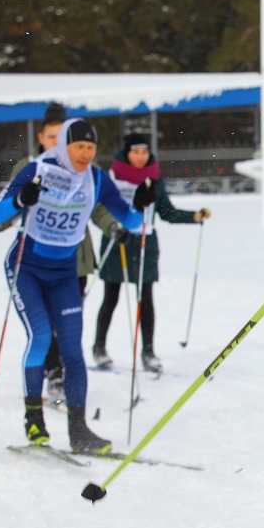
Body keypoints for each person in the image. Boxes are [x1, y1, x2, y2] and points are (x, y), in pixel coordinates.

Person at [0, 118, 154, 454]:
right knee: (42, 336)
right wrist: (19, 202)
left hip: (64, 272)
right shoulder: (38, 170)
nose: (85, 154)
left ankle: (79, 431)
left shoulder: (96, 179)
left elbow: (132, 222)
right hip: (27, 267)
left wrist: (140, 205)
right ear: (64, 145)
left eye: (91, 147)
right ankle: (34, 418)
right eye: (79, 146)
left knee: (72, 350)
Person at [0, 103, 120, 401]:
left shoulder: (87, 175)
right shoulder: (33, 168)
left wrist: (112, 227)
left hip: (75, 259)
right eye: (51, 136)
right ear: (43, 139)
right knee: (43, 326)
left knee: (67, 324)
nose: (57, 141)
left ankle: (67, 380)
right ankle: (53, 374)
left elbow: (97, 208)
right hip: (38, 255)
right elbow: (18, 205)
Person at [92, 133, 211, 375]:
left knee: (145, 299)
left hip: (146, 242)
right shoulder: (112, 177)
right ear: (127, 153)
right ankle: (99, 347)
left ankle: (148, 351)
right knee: (111, 297)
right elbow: (100, 209)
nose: (140, 156)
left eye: (144, 152)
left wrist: (194, 217)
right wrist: (114, 227)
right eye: (135, 151)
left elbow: (166, 212)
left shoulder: (154, 179)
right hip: (118, 240)